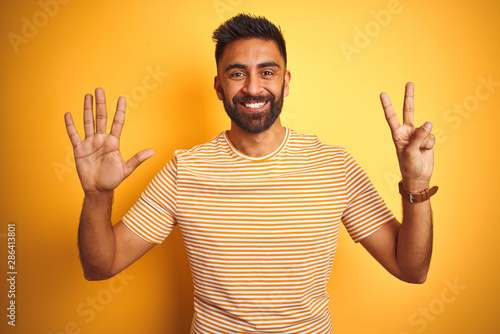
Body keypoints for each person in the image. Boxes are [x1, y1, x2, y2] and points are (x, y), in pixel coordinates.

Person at [64, 13, 437, 334]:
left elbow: (411, 269)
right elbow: (101, 266)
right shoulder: (184, 171)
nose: (253, 87)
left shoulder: (334, 166)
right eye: (237, 73)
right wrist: (98, 196)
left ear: (286, 82)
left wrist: (416, 185)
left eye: (267, 72)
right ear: (218, 86)